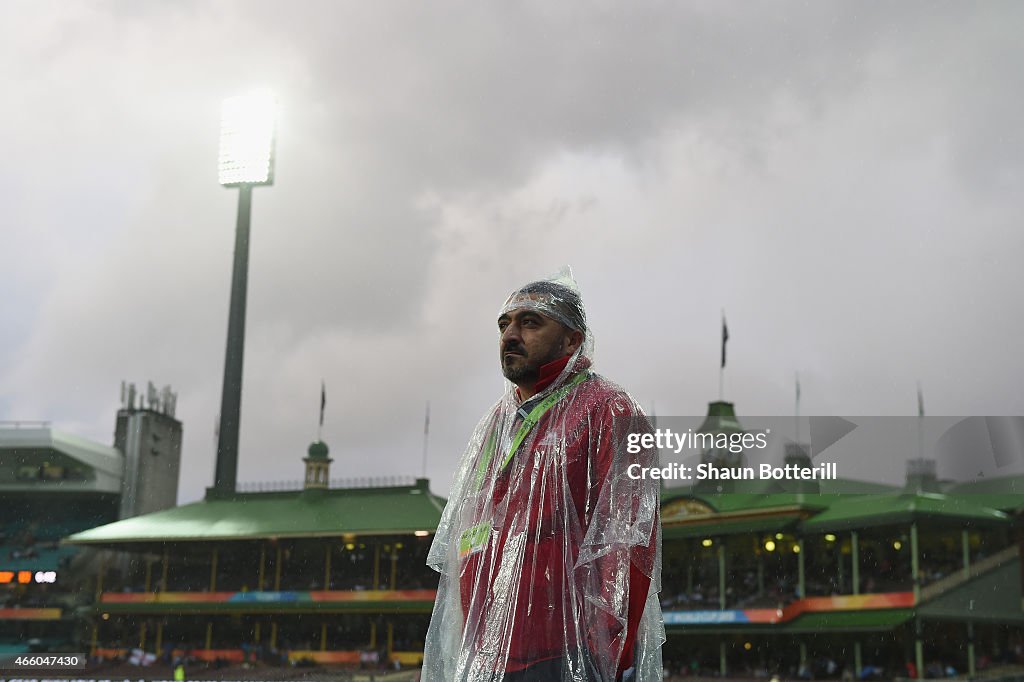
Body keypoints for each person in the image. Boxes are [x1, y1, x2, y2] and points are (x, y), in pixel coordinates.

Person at [422, 269, 663, 681]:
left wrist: (603, 652)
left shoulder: (609, 409)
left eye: (530, 322)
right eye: (505, 324)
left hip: (567, 655)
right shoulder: (493, 426)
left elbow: (627, 540)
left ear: (572, 339)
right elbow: (467, 541)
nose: (510, 335)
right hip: (488, 654)